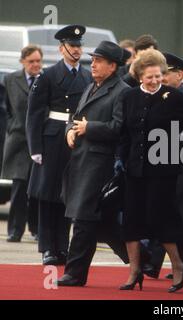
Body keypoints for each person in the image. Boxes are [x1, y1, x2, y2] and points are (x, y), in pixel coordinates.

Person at [118, 49, 183, 293]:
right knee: (131, 221)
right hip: (134, 171)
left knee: (162, 220)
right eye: (149, 77)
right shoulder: (129, 97)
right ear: (139, 76)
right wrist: (123, 159)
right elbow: (125, 133)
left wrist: (175, 155)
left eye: (158, 76)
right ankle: (134, 271)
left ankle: (178, 266)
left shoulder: (173, 97)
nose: (154, 81)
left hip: (163, 172)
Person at [55, 41, 131, 287]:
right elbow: (75, 118)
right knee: (102, 222)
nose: (93, 64)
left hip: (100, 163)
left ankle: (74, 273)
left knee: (83, 218)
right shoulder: (91, 87)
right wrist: (70, 130)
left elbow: (120, 128)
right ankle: (143, 260)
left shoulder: (121, 91)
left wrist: (90, 128)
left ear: (112, 66)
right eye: (93, 59)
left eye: (99, 60)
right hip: (81, 160)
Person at [26, 25, 92, 266]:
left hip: (74, 136)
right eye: (72, 46)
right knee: (47, 194)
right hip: (53, 138)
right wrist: (35, 148)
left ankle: (62, 246)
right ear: (61, 48)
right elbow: (34, 114)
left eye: (79, 46)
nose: (76, 50)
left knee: (67, 195)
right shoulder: (48, 75)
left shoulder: (86, 76)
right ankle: (47, 247)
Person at [141, 53, 183, 280]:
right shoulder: (160, 97)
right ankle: (160, 264)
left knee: (179, 217)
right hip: (162, 164)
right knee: (165, 213)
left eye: (167, 72)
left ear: (180, 74)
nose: (163, 77)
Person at [2, 45, 43, 243]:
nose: (35, 65)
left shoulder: (46, 80)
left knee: (36, 187)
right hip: (18, 141)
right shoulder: (10, 80)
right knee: (19, 186)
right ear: (22, 62)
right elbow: (7, 108)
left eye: (38, 61)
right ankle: (15, 230)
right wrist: (13, 125)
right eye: (31, 61)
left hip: (39, 141)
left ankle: (35, 229)